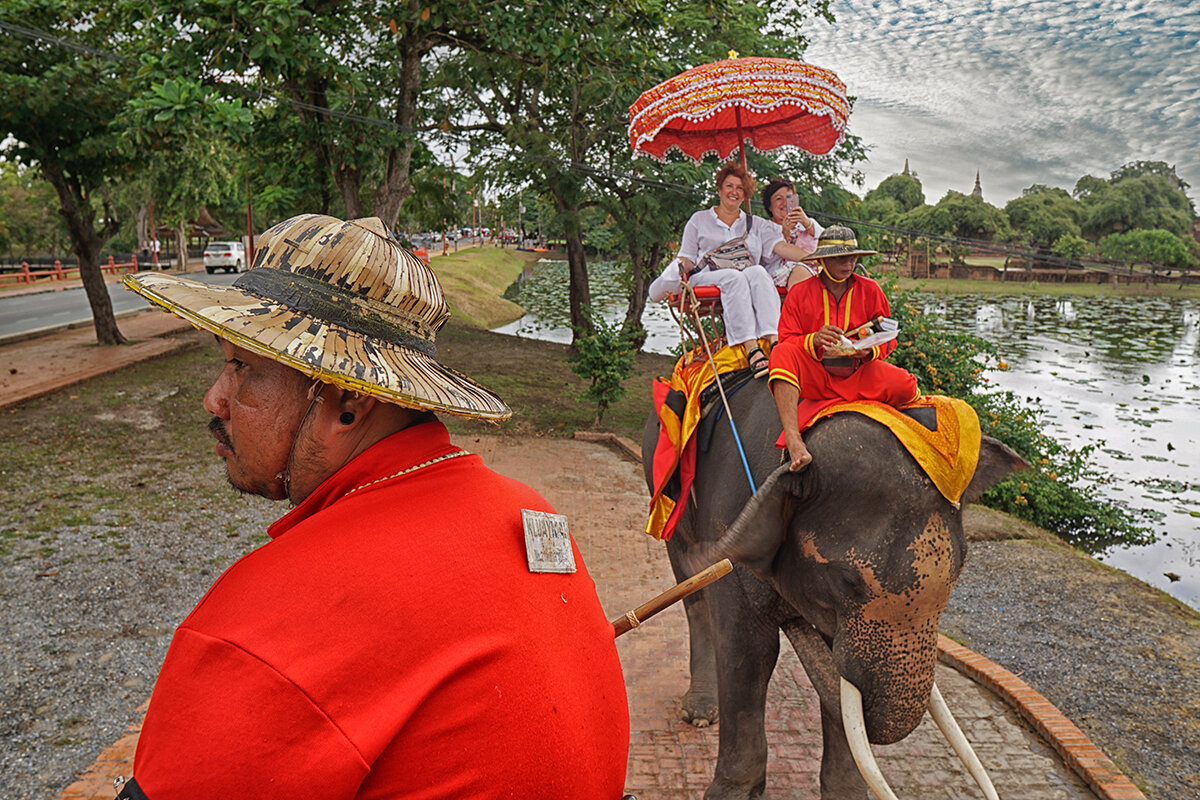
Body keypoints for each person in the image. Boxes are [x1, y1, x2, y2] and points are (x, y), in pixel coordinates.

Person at [116, 214, 629, 800]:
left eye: (242, 367)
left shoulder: (272, 618)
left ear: (347, 402)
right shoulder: (527, 512)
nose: (215, 398)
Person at [768, 226, 920, 471]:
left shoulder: (871, 290)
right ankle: (794, 439)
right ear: (823, 261)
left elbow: (888, 337)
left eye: (852, 257)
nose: (848, 264)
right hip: (817, 374)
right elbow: (786, 339)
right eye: (840, 258)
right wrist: (814, 339)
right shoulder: (799, 293)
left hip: (858, 373)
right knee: (780, 353)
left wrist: (869, 350)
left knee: (906, 385)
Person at [648, 163, 815, 377]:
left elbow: (782, 247)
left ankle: (774, 341)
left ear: (745, 194)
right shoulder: (699, 220)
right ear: (719, 189)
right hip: (706, 276)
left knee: (758, 272)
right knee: (734, 277)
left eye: (740, 188)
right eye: (729, 186)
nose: (734, 192)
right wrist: (677, 269)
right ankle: (751, 348)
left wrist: (817, 258)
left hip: (745, 275)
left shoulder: (756, 224)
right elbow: (687, 257)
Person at [760, 178, 824, 289]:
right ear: (769, 206)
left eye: (789, 198)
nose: (785, 203)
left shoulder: (807, 222)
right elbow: (783, 248)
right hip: (784, 274)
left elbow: (828, 240)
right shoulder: (767, 228)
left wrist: (807, 223)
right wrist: (785, 234)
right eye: (779, 199)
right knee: (800, 271)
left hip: (816, 269)